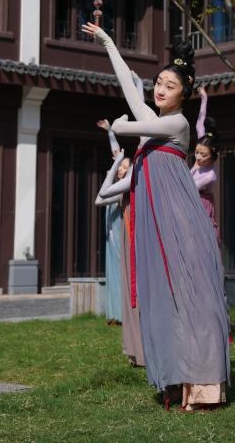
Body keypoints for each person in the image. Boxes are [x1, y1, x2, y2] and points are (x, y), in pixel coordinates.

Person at [82, 21, 229, 412]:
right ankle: (176, 377)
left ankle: (202, 386)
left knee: (190, 298)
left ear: (184, 95)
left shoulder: (176, 124)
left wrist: (118, 125)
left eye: (169, 86)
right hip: (159, 227)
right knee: (167, 300)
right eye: (158, 82)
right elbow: (131, 94)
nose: (160, 89)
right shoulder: (156, 122)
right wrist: (111, 44)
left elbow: (127, 123)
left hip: (179, 225)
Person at [96, 147, 145, 368]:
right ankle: (136, 350)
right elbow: (100, 198)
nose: (123, 169)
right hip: (127, 240)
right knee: (130, 295)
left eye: (127, 165)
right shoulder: (125, 185)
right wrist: (115, 164)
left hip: (138, 244)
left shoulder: (138, 178)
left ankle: (142, 351)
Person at [95, 119, 125, 325]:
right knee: (111, 271)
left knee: (120, 270)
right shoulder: (114, 182)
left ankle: (123, 314)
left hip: (120, 229)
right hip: (110, 231)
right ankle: (113, 313)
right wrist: (110, 132)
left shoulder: (122, 188)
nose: (121, 169)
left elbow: (101, 199)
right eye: (120, 167)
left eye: (125, 167)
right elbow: (117, 154)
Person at [191, 86, 221, 243]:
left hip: (200, 208)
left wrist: (194, 168)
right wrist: (204, 98)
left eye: (203, 155)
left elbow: (189, 186)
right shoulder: (204, 145)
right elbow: (199, 124)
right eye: (196, 152)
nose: (198, 157)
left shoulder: (210, 176)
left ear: (213, 155)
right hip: (190, 204)